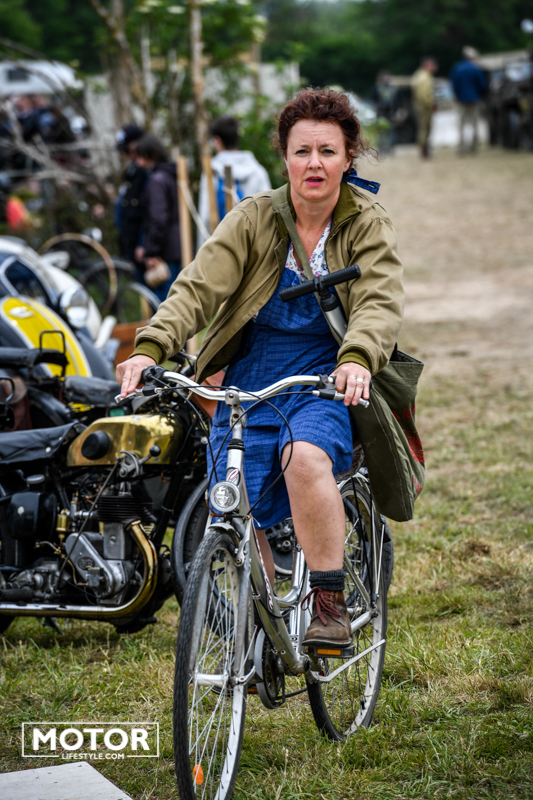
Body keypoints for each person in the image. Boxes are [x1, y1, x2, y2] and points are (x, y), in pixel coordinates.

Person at [117, 88, 404, 649]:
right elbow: (197, 288)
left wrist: (357, 360)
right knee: (233, 494)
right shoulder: (254, 217)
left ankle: (328, 601)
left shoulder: (366, 222)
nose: (314, 164)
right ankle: (263, 618)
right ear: (285, 157)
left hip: (325, 373)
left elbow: (378, 302)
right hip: (251, 373)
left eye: (327, 151)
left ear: (348, 157)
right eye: (302, 151)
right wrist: (151, 346)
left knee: (305, 458)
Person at [198, 115, 271, 246]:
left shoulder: (211, 171)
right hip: (253, 245)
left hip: (220, 244)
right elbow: (268, 211)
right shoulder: (257, 171)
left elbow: (206, 216)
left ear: (217, 140)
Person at [134, 134, 181, 303]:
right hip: (175, 246)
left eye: (141, 157)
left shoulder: (157, 181)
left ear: (151, 155)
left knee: (165, 302)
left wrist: (151, 251)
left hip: (165, 251)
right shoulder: (170, 176)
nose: (139, 163)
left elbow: (158, 218)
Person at [114, 123, 146, 266]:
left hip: (142, 245)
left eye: (127, 149)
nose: (125, 154)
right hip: (130, 243)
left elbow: (150, 213)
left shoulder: (146, 173)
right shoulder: (131, 171)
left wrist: (144, 243)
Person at [450, 46, 488, 155]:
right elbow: (483, 85)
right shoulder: (475, 69)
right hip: (474, 99)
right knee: (474, 123)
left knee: (461, 124)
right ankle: (474, 147)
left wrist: (458, 96)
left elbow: (454, 85)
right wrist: (479, 95)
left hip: (461, 100)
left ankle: (461, 147)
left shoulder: (457, 68)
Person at [411, 57, 438, 159]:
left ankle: (424, 148)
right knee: (424, 128)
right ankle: (424, 150)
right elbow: (424, 95)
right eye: (432, 65)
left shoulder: (418, 75)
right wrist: (431, 104)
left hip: (420, 106)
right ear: (427, 66)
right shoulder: (425, 77)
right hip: (424, 107)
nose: (435, 67)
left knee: (423, 128)